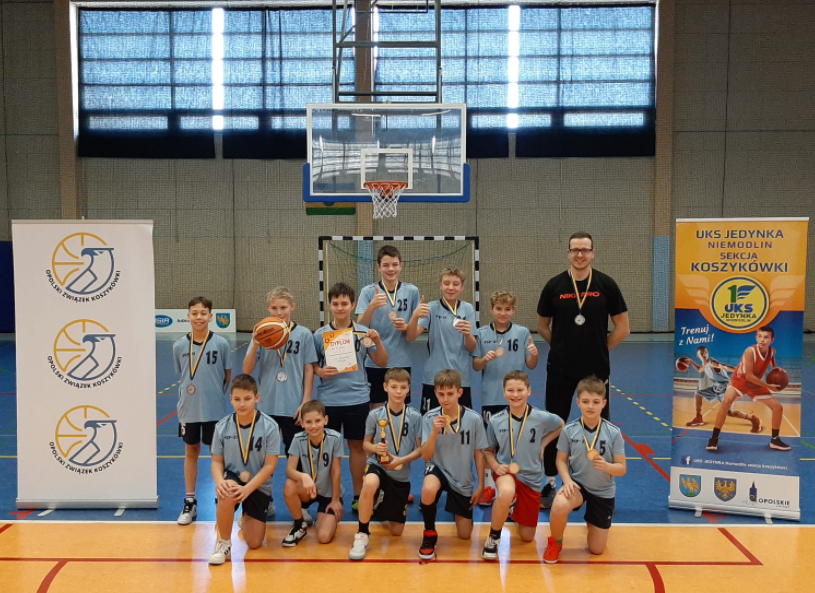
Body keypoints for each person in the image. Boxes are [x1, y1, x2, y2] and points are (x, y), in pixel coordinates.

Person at [537, 232, 629, 508]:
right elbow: (542, 325)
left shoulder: (606, 285)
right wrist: (562, 348)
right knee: (555, 423)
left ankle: (600, 485)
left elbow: (623, 328)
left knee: (599, 427)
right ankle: (550, 482)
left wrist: (599, 351)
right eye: (575, 250)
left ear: (592, 253)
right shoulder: (554, 285)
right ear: (568, 253)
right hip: (560, 369)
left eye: (585, 250)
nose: (580, 255)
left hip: (595, 371)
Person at [243, 287, 318, 518]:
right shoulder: (262, 333)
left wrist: (306, 401)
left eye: (283, 307)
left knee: (298, 459)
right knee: (263, 458)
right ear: (268, 308)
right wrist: (256, 343)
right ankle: (265, 502)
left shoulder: (304, 334)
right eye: (274, 308)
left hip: (293, 407)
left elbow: (308, 369)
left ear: (292, 307)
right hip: (266, 407)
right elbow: (247, 369)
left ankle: (302, 507)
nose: (279, 312)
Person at [313, 282, 389, 511]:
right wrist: (320, 371)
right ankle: (329, 495)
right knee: (327, 450)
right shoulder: (319, 335)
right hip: (329, 401)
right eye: (335, 303)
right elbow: (311, 365)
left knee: (357, 448)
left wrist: (378, 342)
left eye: (344, 303)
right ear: (329, 305)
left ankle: (358, 494)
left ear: (353, 304)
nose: (340, 307)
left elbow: (382, 362)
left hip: (357, 399)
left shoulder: (364, 333)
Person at [481, 371, 562, 561]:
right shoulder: (496, 420)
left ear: (529, 391)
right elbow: (488, 451)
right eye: (510, 390)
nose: (515, 394)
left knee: (527, 537)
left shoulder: (541, 417)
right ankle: (493, 537)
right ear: (504, 392)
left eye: (520, 390)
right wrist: (495, 466)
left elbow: (561, 425)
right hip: (506, 472)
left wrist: (544, 443)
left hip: (531, 476)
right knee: (506, 491)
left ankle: (513, 506)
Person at [545, 375, 626, 564]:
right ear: (578, 402)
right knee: (559, 504)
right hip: (578, 485)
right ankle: (555, 542)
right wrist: (567, 480)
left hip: (603, 491)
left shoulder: (613, 432)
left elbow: (622, 468)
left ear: (603, 403)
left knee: (597, 550)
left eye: (596, 402)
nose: (590, 406)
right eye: (586, 401)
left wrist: (608, 467)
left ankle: (593, 520)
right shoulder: (569, 430)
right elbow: (560, 460)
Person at [472, 290, 539, 505]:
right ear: (491, 310)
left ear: (514, 310)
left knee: (513, 444)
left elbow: (531, 365)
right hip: (491, 397)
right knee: (489, 446)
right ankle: (489, 487)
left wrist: (534, 354)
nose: (503, 313)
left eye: (507, 309)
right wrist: (484, 359)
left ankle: (513, 487)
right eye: (499, 309)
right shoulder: (481, 333)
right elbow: (476, 365)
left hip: (515, 399)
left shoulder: (522, 332)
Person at [349, 368, 424, 560]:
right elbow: (365, 444)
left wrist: (401, 460)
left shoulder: (415, 416)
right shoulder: (375, 415)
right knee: (370, 483)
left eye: (402, 387)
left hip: (400, 473)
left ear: (409, 389)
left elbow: (420, 450)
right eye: (394, 387)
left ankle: (380, 500)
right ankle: (362, 533)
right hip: (378, 466)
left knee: (396, 531)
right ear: (385, 387)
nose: (398, 391)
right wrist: (375, 448)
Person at [172, 296, 232, 526]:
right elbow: (182, 374)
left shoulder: (222, 344)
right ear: (188, 316)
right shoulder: (179, 346)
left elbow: (227, 375)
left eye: (203, 313)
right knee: (191, 451)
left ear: (210, 316)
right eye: (194, 313)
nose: (199, 317)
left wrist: (214, 393)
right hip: (188, 409)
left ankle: (222, 496)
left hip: (214, 409)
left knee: (216, 453)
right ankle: (190, 501)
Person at [209, 374, 279, 565]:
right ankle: (224, 543)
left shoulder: (270, 427)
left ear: (257, 398)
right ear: (231, 399)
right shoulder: (222, 426)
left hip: (258, 482)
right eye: (237, 399)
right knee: (226, 491)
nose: (242, 404)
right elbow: (216, 462)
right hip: (233, 477)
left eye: (247, 398)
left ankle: (246, 514)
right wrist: (219, 481)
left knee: (254, 543)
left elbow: (270, 465)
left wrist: (248, 489)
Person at [418, 369, 486, 561]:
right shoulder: (429, 418)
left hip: (461, 477)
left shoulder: (474, 419)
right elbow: (426, 456)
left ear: (459, 392)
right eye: (441, 394)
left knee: (464, 535)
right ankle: (429, 533)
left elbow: (479, 454)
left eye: (450, 393)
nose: (445, 399)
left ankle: (461, 514)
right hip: (437, 468)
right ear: (435, 393)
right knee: (428, 489)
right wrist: (434, 432)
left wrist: (481, 485)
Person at [706, 326, 791, 451]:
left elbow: (771, 357)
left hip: (755, 383)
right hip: (739, 380)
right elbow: (749, 376)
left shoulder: (772, 351)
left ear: (772, 340)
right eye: (759, 336)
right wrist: (768, 386)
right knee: (726, 402)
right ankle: (714, 438)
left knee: (778, 408)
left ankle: (775, 440)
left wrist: (775, 368)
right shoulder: (750, 352)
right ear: (756, 337)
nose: (762, 340)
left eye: (766, 337)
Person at [356, 245, 420, 409]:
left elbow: (413, 332)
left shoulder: (412, 291)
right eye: (386, 265)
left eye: (394, 264)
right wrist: (372, 306)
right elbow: (360, 326)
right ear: (378, 267)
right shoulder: (368, 291)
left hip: (401, 360)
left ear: (401, 265)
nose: (391, 269)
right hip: (374, 361)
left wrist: (406, 326)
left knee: (400, 407)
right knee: (376, 407)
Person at [407, 268, 477, 414]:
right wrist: (414, 316)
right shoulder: (431, 308)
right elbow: (411, 337)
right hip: (434, 377)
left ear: (462, 287)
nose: (450, 287)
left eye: (455, 284)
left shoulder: (468, 309)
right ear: (440, 285)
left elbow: (471, 348)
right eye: (446, 283)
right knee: (430, 421)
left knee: (461, 421)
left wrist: (468, 335)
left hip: (460, 378)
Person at [282, 401, 343, 547]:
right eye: (308, 422)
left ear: (325, 420)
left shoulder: (335, 438)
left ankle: (323, 519)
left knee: (324, 537)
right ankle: (299, 525)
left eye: (317, 421)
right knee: (289, 485)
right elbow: (289, 471)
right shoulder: (298, 439)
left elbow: (336, 471)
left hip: (328, 494)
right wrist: (303, 476)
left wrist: (335, 500)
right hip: (308, 490)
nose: (313, 426)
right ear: (302, 423)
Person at [684, 346, 760, 431]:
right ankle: (698, 418)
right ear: (698, 356)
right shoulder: (705, 364)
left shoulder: (713, 363)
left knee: (729, 413)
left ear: (708, 353)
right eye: (701, 353)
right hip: (716, 387)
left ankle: (753, 419)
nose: (704, 354)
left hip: (725, 388)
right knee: (698, 394)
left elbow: (726, 367)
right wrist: (691, 361)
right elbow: (699, 369)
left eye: (705, 352)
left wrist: (738, 370)